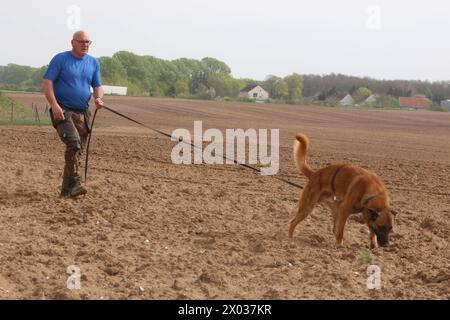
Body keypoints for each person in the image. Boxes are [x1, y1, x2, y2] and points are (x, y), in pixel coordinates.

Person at [42, 30, 104, 198]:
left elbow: (98, 85)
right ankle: (75, 183)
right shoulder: (61, 59)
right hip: (63, 111)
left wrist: (98, 98)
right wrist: (54, 105)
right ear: (73, 43)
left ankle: (66, 191)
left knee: (77, 151)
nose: (85, 45)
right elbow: (47, 83)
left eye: (88, 42)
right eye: (82, 41)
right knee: (74, 143)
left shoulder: (93, 63)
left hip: (83, 112)